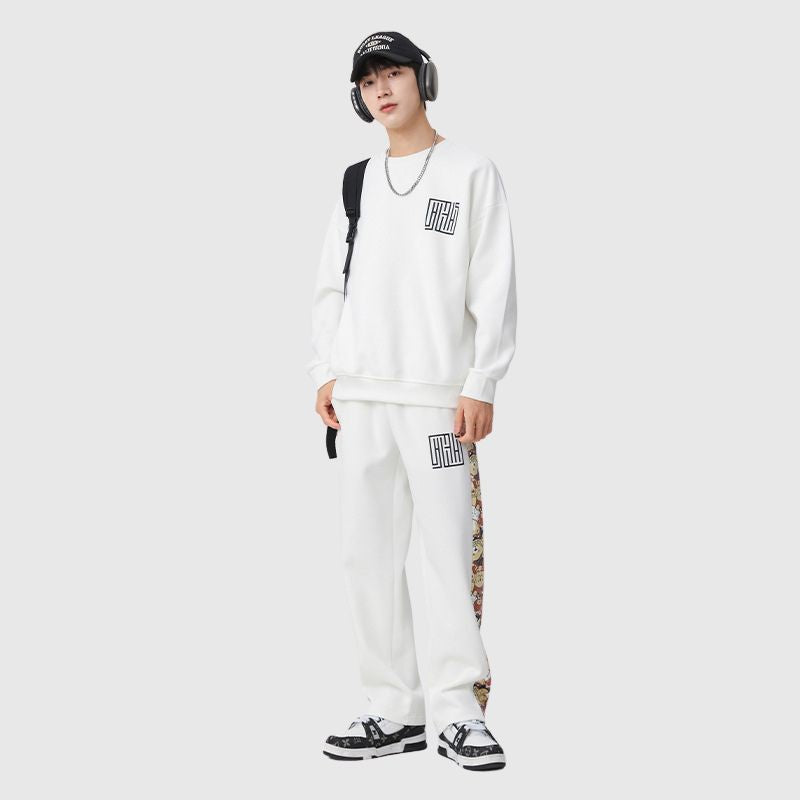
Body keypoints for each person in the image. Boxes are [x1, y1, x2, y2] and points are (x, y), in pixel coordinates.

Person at [306, 31, 517, 771]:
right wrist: (326, 371)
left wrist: (481, 380)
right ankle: (393, 708)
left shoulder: (470, 171)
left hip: (437, 398)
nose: (382, 90)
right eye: (368, 82)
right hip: (361, 398)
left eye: (393, 73)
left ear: (422, 78)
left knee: (446, 553)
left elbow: (494, 282)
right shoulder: (356, 182)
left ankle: (459, 710)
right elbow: (331, 284)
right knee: (365, 555)